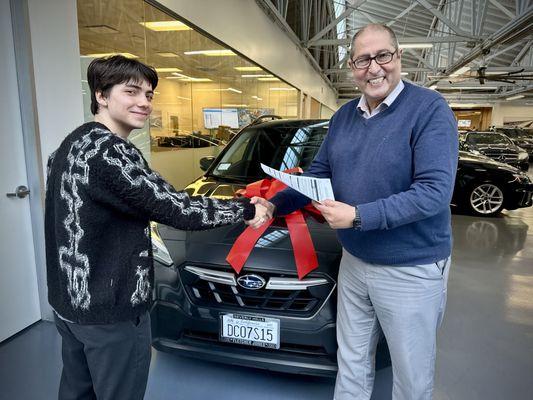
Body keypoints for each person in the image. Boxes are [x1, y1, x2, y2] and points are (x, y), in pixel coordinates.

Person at [253, 24, 458, 400]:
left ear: (399, 58)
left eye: (383, 56)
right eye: (363, 59)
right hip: (355, 260)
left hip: (410, 267)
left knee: (410, 375)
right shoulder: (344, 116)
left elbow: (433, 193)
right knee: (352, 361)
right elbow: (318, 176)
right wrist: (274, 203)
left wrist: (358, 216)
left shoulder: (429, 110)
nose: (374, 68)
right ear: (352, 67)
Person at [45, 55, 268, 400]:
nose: (144, 103)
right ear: (101, 95)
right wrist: (245, 208)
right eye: (131, 91)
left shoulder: (73, 143)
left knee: (76, 392)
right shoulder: (111, 153)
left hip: (71, 307)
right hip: (111, 312)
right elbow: (176, 208)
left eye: (149, 95)